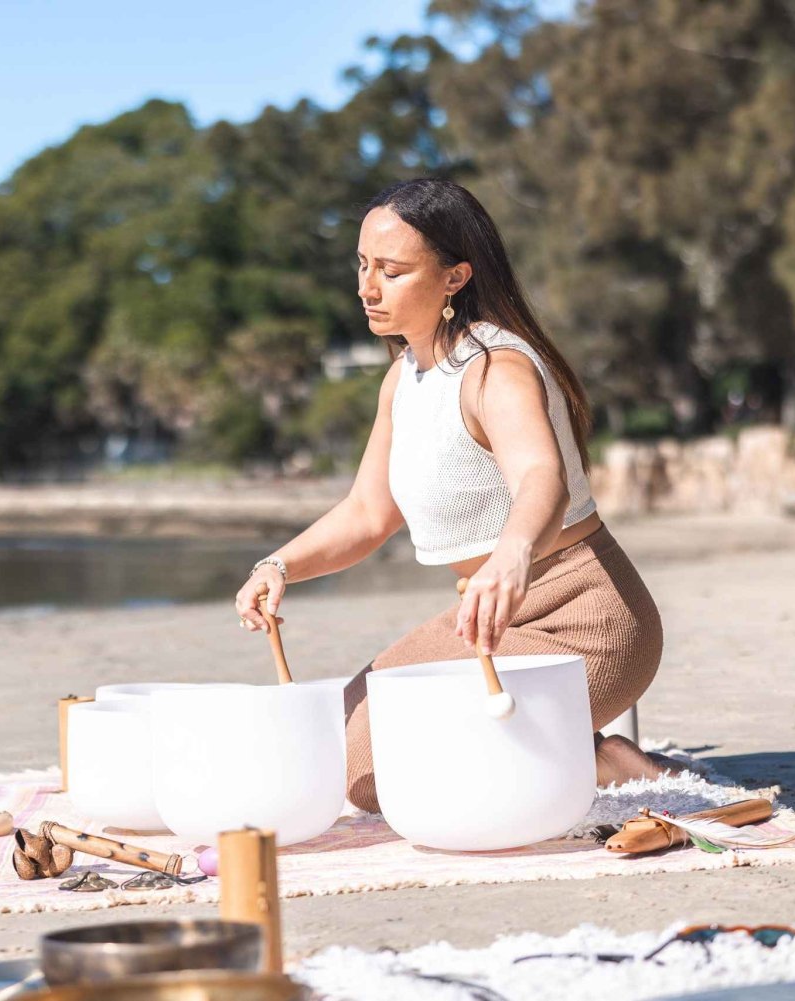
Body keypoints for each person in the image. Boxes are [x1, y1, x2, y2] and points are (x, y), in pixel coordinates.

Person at [233, 178, 670, 811]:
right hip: (487, 621)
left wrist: (513, 554)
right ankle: (564, 748)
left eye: (392, 270)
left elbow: (539, 477)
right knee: (346, 736)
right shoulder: (403, 378)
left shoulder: (495, 367)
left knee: (377, 771)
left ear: (455, 276)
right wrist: (277, 566)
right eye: (361, 265)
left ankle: (603, 761)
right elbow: (367, 513)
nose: (366, 286)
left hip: (586, 619)